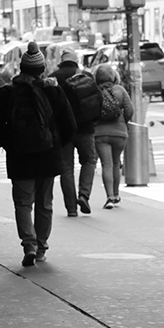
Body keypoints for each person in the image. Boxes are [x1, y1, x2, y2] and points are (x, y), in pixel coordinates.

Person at [0, 41, 77, 267]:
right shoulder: (52, 92)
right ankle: (41, 248)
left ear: (21, 68)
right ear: (42, 69)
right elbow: (70, 124)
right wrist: (55, 143)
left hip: (20, 156)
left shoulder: (7, 93)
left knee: (23, 203)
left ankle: (29, 244)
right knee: (45, 203)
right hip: (48, 155)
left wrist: (9, 144)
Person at [50, 48, 99, 217]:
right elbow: (95, 101)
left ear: (61, 61)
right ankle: (84, 195)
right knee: (89, 161)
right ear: (76, 61)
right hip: (86, 128)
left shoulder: (54, 78)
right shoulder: (86, 76)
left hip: (63, 131)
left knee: (66, 169)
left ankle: (71, 209)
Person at [93, 63, 134, 209]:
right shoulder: (120, 90)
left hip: (100, 134)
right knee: (116, 163)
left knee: (107, 165)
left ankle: (109, 197)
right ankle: (116, 195)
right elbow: (129, 110)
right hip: (119, 133)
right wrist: (123, 121)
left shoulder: (95, 92)